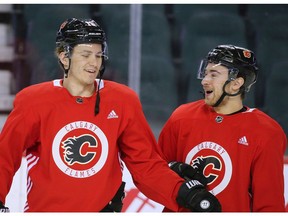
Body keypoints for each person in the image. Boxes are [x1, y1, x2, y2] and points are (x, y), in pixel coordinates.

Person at [0, 18, 221, 212]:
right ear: (64, 57)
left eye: (98, 55)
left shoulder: (122, 100)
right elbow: (5, 157)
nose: (94, 63)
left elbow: (145, 164)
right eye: (86, 54)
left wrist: (182, 192)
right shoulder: (34, 101)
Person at [158, 44, 287, 212]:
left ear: (236, 83)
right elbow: (151, 171)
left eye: (214, 74)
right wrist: (170, 170)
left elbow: (270, 206)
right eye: (205, 74)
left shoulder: (266, 132)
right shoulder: (182, 117)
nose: (204, 81)